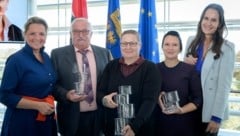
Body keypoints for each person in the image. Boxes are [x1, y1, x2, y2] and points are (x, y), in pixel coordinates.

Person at [51, 17, 112, 136]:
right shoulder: (57, 54)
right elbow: (52, 85)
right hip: (70, 116)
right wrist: (66, 94)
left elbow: (111, 82)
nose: (80, 35)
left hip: (99, 116)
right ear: (70, 34)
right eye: (76, 31)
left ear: (91, 34)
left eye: (85, 31)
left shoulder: (104, 53)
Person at [97, 29, 162, 136]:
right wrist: (104, 100)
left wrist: (134, 127)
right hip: (112, 129)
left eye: (132, 43)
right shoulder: (111, 66)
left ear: (140, 45)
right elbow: (99, 92)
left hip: (140, 129)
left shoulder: (151, 68)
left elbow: (149, 101)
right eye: (124, 44)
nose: (128, 47)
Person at [0, 16, 57, 136]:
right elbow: (4, 95)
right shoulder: (16, 60)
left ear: (46, 37)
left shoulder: (47, 57)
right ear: (25, 35)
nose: (37, 38)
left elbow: (50, 86)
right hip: (22, 123)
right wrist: (37, 105)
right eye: (32, 34)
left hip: (45, 120)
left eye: (41, 34)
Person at [184, 3, 235, 136]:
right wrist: (184, 63)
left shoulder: (227, 48)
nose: (208, 23)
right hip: (189, 105)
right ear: (201, 20)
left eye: (214, 20)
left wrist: (217, 117)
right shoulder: (191, 42)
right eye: (206, 18)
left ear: (219, 24)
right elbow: (184, 75)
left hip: (209, 109)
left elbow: (224, 86)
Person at [154, 30, 202, 136]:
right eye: (167, 44)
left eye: (174, 45)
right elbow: (148, 95)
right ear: (162, 47)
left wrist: (181, 110)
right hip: (159, 124)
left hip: (183, 125)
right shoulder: (154, 69)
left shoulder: (190, 70)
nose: (170, 48)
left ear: (180, 48)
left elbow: (198, 100)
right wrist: (157, 98)